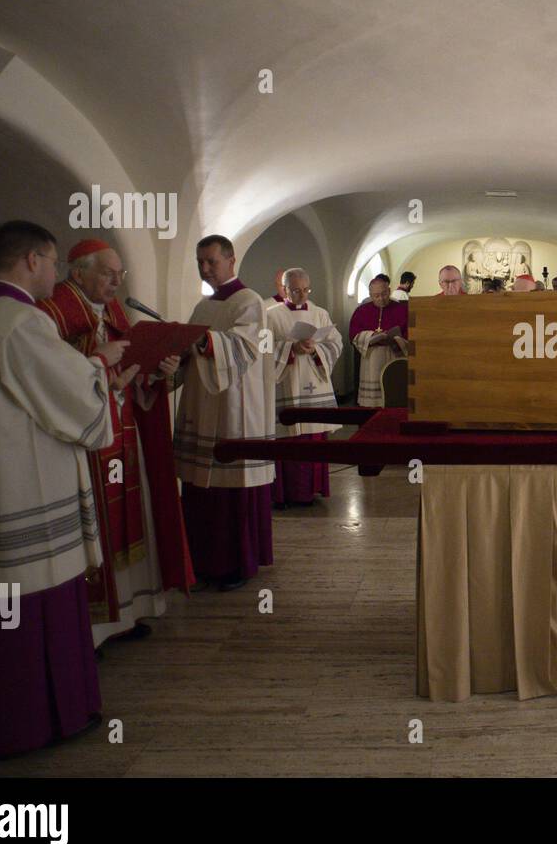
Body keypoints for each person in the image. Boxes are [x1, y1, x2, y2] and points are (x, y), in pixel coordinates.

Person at [0, 220, 132, 758]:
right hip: (19, 495)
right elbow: (76, 403)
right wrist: (100, 364)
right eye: (53, 262)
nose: (56, 273)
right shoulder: (21, 324)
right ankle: (28, 722)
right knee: (30, 606)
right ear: (32, 260)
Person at [37, 239, 195, 646]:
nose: (116, 282)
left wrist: (159, 371)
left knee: (130, 517)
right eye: (108, 274)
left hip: (124, 429)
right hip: (85, 444)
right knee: (98, 529)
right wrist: (102, 364)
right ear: (77, 272)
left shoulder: (114, 310)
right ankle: (90, 628)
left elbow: (132, 372)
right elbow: (55, 380)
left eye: (120, 274)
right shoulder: (52, 312)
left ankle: (126, 612)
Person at [172, 235, 275, 591]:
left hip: (235, 406)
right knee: (201, 491)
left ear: (231, 261)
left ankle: (234, 564)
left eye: (211, 261)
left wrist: (204, 341)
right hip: (201, 405)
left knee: (230, 491)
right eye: (200, 262)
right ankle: (201, 561)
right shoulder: (204, 305)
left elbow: (246, 346)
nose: (204, 268)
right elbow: (193, 345)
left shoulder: (249, 301)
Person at [267, 268, 343, 507]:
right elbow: (262, 348)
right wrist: (290, 349)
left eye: (305, 290)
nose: (301, 295)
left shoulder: (320, 313)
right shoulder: (270, 315)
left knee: (313, 439)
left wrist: (315, 349)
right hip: (287, 383)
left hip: (314, 382)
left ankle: (313, 488)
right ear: (284, 289)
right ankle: (287, 493)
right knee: (289, 440)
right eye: (295, 290)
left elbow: (336, 342)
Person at [348, 276, 409, 406]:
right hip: (372, 360)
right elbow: (353, 335)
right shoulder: (361, 311)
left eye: (384, 294)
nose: (381, 298)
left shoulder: (401, 310)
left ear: (389, 290)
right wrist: (371, 336)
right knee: (373, 402)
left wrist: (397, 339)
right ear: (370, 295)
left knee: (394, 396)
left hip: (394, 356)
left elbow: (410, 334)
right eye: (376, 296)